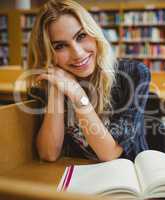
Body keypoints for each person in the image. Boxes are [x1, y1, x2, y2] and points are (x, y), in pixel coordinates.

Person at [27, 0, 150, 162]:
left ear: (95, 34)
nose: (77, 53)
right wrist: (56, 89)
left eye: (81, 36)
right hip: (76, 177)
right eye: (60, 46)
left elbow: (110, 154)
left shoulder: (133, 73)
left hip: (129, 176)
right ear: (48, 54)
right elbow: (49, 154)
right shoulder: (46, 84)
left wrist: (77, 95)